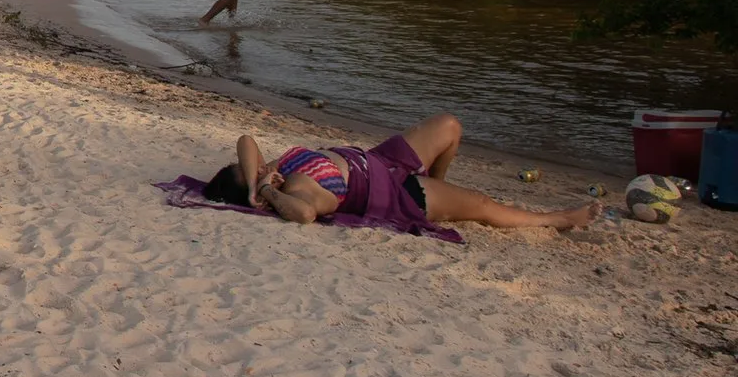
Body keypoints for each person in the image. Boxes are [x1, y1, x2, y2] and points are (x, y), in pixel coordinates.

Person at [198, 114, 604, 233]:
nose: (262, 165)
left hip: (379, 157)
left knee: (450, 126)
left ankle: (442, 187)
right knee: (483, 205)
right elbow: (306, 215)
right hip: (395, 191)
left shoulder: (280, 169)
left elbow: (246, 139)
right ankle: (560, 218)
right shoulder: (300, 188)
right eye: (251, 172)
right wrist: (267, 193)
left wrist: (256, 181)